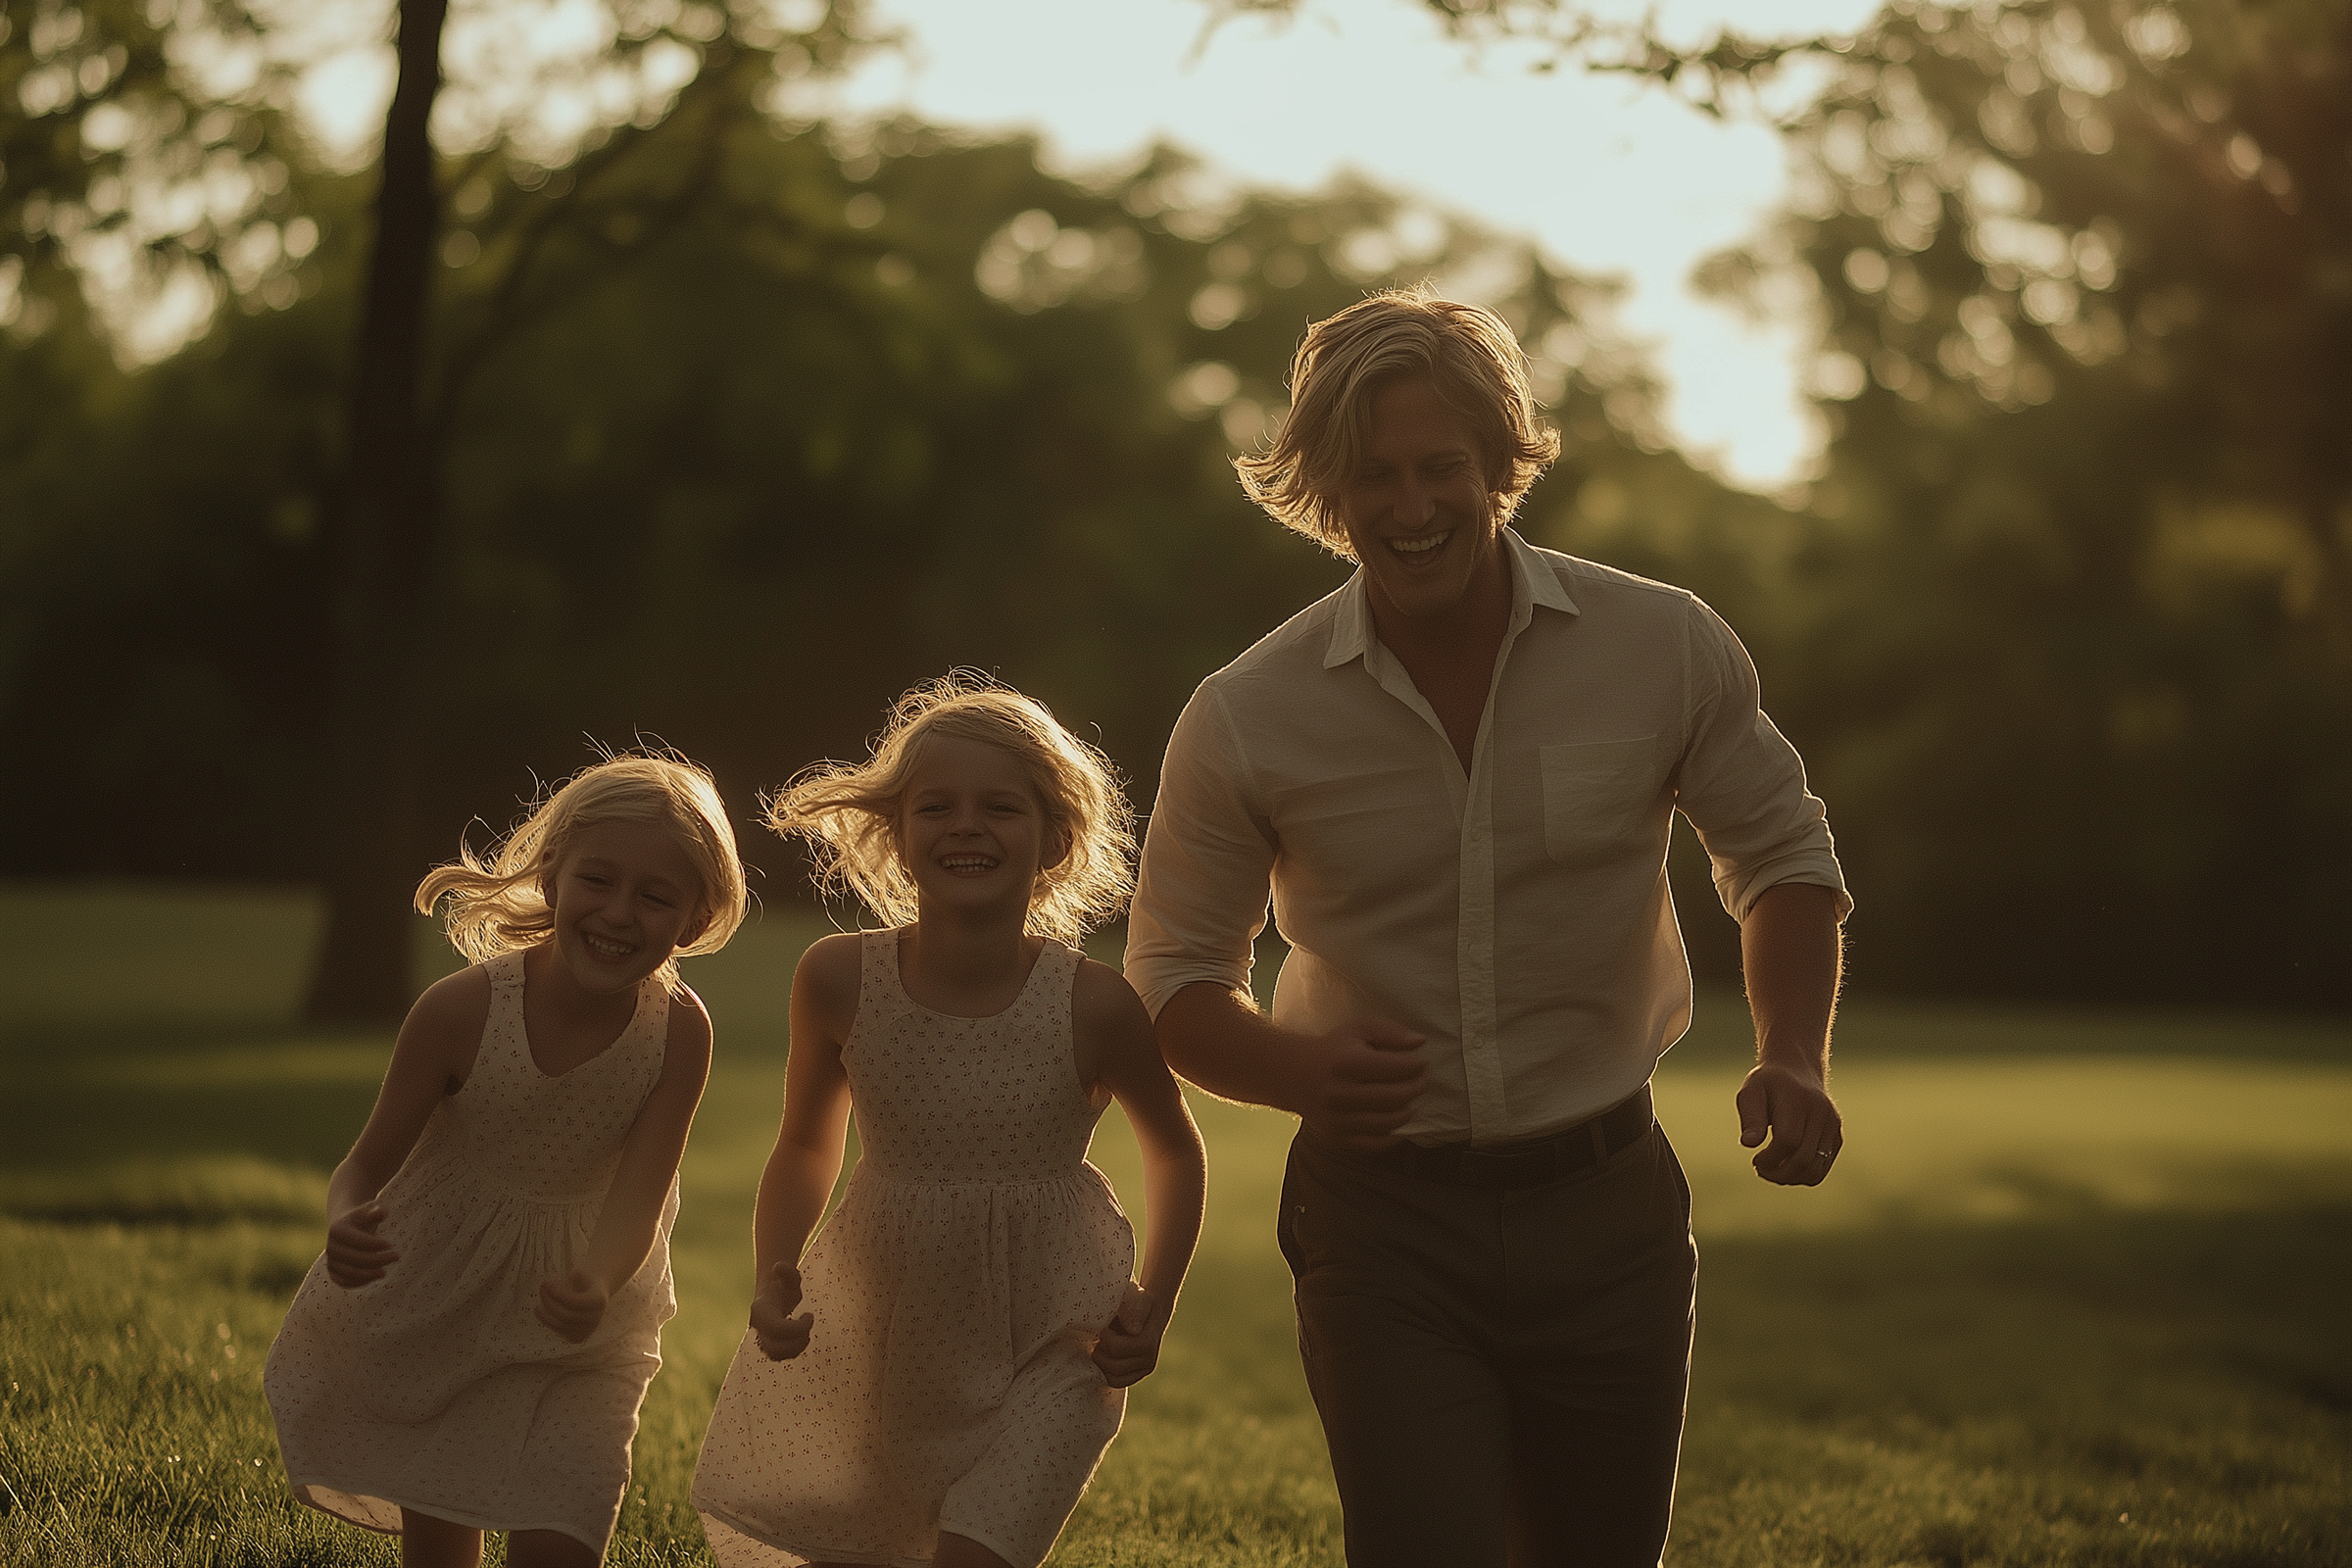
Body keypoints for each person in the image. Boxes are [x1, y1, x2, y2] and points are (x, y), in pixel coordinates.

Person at [1123, 288, 1852, 1567]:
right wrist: (1301, 1072)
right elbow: (1176, 979)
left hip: (1609, 1207)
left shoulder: (1662, 644)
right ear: (1323, 489)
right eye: (1373, 477)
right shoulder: (1248, 714)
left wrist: (1794, 1052)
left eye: (1441, 468)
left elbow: (1782, 856)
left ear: (1505, 461)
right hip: (1383, 1225)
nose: (1411, 509)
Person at [692, 675, 1207, 1568]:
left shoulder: (1093, 1005)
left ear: (1055, 838)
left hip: (1055, 1341)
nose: (966, 825)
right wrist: (775, 1269)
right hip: (887, 1330)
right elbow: (807, 1145)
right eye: (936, 806)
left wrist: (1152, 1303)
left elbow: (1174, 1150)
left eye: (1000, 807)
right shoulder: (838, 980)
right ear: (896, 835)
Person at [264, 750, 750, 1568]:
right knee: (444, 1546)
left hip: (589, 1320)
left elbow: (642, 1193)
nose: (621, 913)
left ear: (694, 921)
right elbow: (363, 1165)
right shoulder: (461, 1011)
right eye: (599, 881)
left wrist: (596, 1279)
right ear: (552, 879)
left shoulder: (678, 1035)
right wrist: (344, 1220)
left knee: (567, 1528)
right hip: (445, 1300)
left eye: (656, 896)